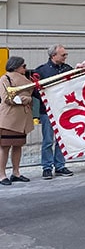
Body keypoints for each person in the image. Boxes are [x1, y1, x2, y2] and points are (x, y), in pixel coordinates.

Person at [33, 45, 74, 179]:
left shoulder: (68, 69)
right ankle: (47, 167)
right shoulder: (41, 71)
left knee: (62, 139)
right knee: (48, 140)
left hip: (63, 109)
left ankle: (60, 166)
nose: (65, 57)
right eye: (63, 55)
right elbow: (35, 91)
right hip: (47, 110)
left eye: (66, 55)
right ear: (53, 56)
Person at [0, 57, 35, 185]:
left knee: (18, 145)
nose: (25, 69)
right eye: (23, 66)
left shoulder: (27, 80)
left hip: (23, 118)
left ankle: (16, 172)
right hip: (10, 118)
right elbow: (7, 98)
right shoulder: (5, 78)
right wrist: (26, 99)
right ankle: (2, 175)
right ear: (15, 67)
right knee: (5, 146)